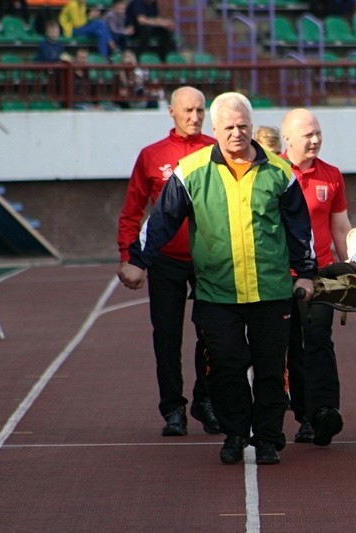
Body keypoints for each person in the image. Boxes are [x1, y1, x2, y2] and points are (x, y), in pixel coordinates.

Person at [120, 92, 317, 466]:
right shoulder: (191, 171)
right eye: (228, 127)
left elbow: (299, 229)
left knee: (271, 369)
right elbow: (161, 220)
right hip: (217, 292)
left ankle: (268, 438)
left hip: (271, 291)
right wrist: (137, 261)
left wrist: (306, 273)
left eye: (243, 125)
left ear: (252, 125)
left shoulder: (280, 171)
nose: (236, 133)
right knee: (226, 366)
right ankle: (235, 433)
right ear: (215, 128)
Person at [116, 86, 220, 438]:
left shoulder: (216, 151)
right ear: (172, 112)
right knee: (167, 336)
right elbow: (132, 212)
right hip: (164, 261)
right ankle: (173, 409)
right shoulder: (151, 155)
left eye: (200, 110)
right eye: (188, 110)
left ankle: (205, 400)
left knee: (213, 333)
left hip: (208, 261)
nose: (195, 117)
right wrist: (129, 257)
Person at [281, 108, 353, 447]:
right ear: (287, 138)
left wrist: (352, 268)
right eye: (307, 134)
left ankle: (324, 412)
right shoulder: (273, 173)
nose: (315, 139)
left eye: (318, 133)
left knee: (319, 339)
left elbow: (340, 227)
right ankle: (304, 415)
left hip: (322, 273)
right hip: (280, 275)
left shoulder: (332, 175)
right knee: (290, 347)